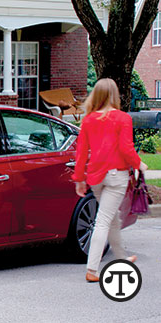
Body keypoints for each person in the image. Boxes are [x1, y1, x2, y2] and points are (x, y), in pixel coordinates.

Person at [72, 78, 147, 282]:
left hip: (96, 176)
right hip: (116, 175)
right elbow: (126, 148)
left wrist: (79, 178)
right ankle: (92, 270)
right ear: (114, 95)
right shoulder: (123, 118)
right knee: (104, 220)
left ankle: (122, 258)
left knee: (111, 219)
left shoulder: (88, 120)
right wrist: (139, 164)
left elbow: (81, 153)